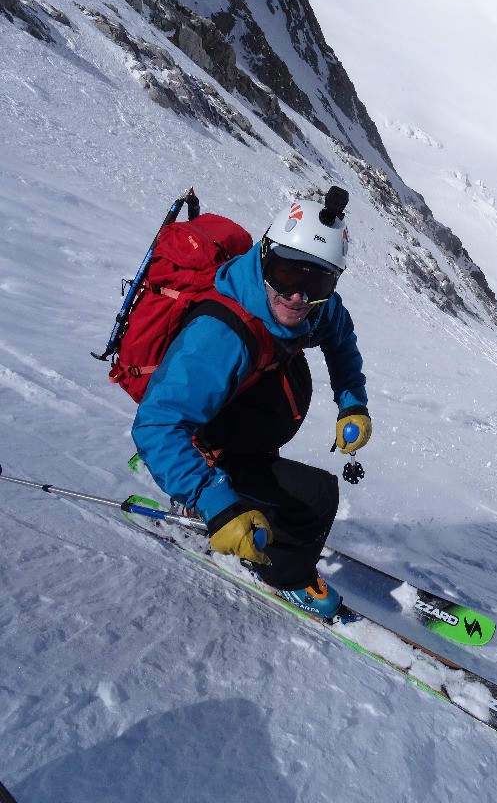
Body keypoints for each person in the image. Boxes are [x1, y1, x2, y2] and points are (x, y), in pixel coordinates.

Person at [132, 187, 371, 619]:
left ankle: (234, 478)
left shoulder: (315, 308)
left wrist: (352, 401)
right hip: (201, 433)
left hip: (240, 409)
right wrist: (215, 501)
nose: (297, 295)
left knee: (283, 385)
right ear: (264, 257)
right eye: (286, 275)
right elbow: (155, 424)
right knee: (317, 497)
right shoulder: (219, 334)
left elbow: (340, 336)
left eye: (316, 281)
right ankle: (286, 576)